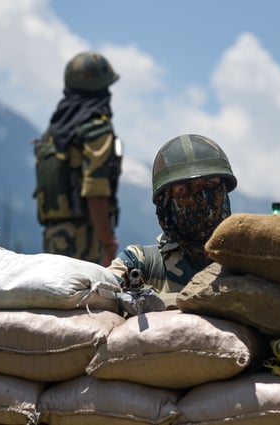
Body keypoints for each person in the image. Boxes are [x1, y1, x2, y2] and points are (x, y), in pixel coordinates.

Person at [107, 133, 237, 302]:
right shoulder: (140, 262)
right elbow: (100, 290)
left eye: (210, 185)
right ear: (166, 204)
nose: (201, 199)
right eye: (185, 190)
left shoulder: (248, 260)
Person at [33, 51, 122, 266]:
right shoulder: (95, 130)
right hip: (86, 239)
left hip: (53, 236)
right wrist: (108, 244)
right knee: (91, 298)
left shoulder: (54, 132)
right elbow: (96, 193)